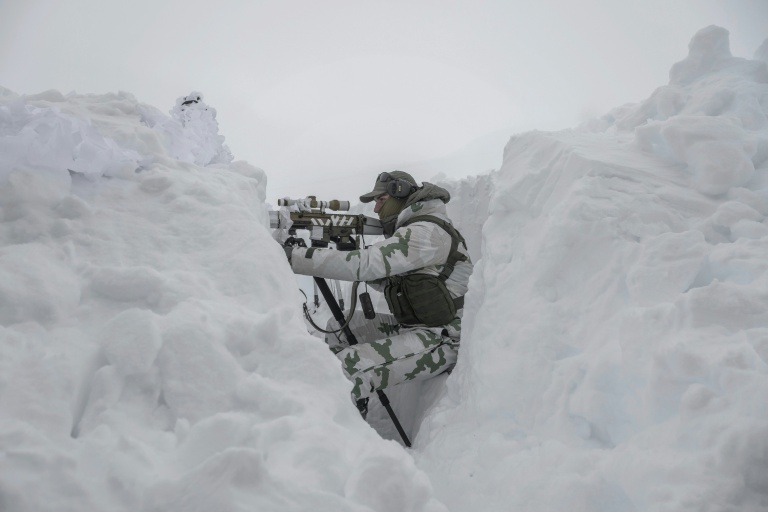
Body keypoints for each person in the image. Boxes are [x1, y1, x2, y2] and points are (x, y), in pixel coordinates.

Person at [285, 171, 473, 412]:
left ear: (400, 193)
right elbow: (390, 280)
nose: (375, 210)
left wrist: (296, 258)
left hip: (443, 337)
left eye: (380, 200)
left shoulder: (427, 231)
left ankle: (338, 432)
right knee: (337, 327)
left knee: (349, 365)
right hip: (415, 326)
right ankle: (348, 403)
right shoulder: (415, 229)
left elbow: (365, 265)